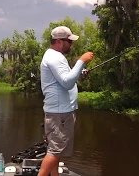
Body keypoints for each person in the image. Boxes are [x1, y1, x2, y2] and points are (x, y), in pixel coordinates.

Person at [38, 26, 94, 176]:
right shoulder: (54, 57)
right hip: (60, 114)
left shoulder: (55, 56)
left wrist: (78, 73)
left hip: (60, 112)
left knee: (57, 150)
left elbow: (66, 77)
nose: (71, 44)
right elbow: (67, 82)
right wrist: (81, 61)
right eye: (69, 41)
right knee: (55, 150)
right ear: (58, 41)